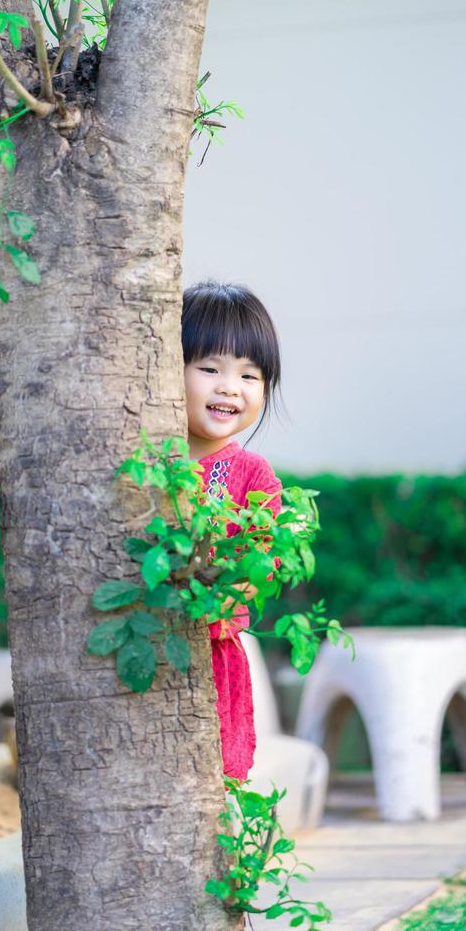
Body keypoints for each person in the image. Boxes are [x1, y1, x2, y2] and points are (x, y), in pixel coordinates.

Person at [182, 281, 283, 781]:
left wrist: (228, 589)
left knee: (212, 780)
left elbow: (264, 562)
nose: (230, 387)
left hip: (214, 653)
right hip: (143, 647)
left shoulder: (254, 476)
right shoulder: (148, 463)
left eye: (250, 374)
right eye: (209, 369)